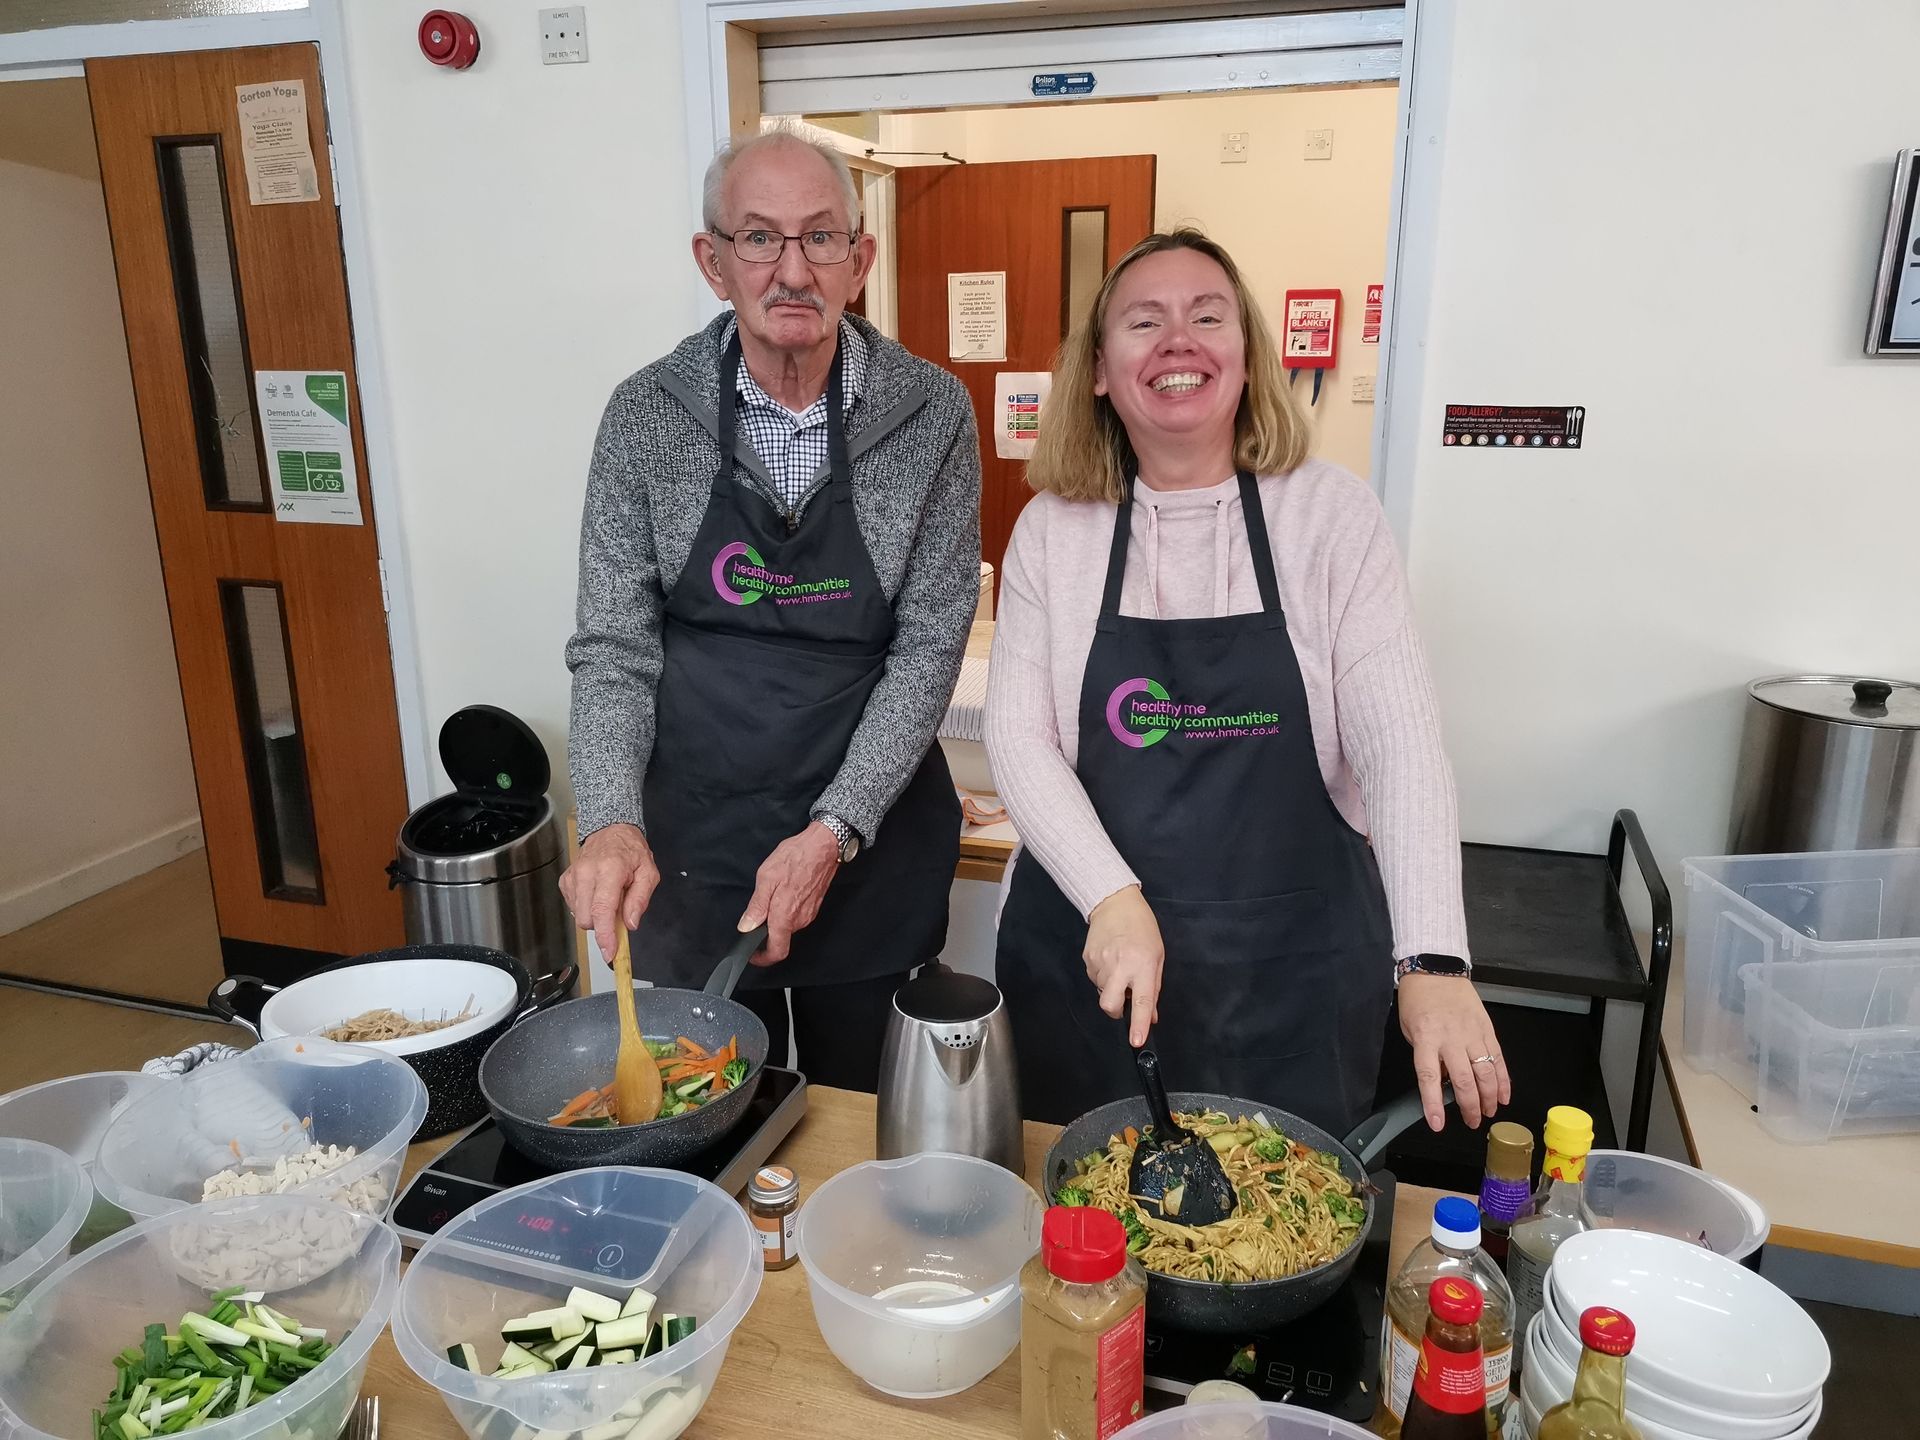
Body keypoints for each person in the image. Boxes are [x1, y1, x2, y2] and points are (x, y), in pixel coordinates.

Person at [986, 229, 1506, 1137]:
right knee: (1079, 1238)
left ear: (1246, 356)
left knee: (1281, 1241)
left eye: (1208, 316)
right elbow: (1019, 740)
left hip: (1290, 978)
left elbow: (1402, 746)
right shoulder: (1052, 530)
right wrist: (1111, 897)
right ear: (1100, 371)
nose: (1178, 340)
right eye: (1144, 321)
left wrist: (1434, 961)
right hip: (1092, 969)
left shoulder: (1332, 515)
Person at [562, 129, 981, 1092]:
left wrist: (836, 828)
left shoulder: (934, 415)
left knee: (861, 1126)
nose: (792, 270)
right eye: (759, 239)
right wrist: (611, 821)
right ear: (714, 263)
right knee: (703, 1110)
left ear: (860, 261)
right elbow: (614, 648)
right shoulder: (644, 417)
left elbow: (927, 652)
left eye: (821, 238)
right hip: (694, 849)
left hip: (867, 847)